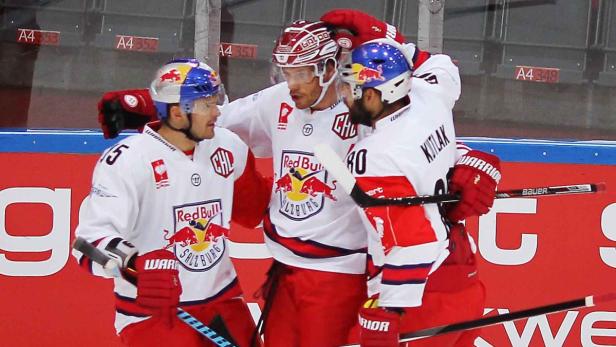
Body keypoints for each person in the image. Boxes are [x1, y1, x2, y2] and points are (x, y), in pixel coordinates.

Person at [93, 10, 500, 346]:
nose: (291, 84)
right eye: (285, 72)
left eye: (301, 73)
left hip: (339, 275)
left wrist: (464, 161)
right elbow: (216, 120)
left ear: (328, 68)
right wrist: (157, 105)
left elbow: (409, 145)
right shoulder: (277, 103)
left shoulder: (362, 105)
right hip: (284, 271)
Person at [73, 58, 271, 347]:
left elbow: (255, 210)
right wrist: (133, 265)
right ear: (178, 113)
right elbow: (86, 245)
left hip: (223, 301)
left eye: (215, 101)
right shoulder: (128, 160)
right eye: (207, 105)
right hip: (152, 313)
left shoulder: (228, 146)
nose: (217, 112)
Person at [336, 36, 501, 347]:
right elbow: (443, 65)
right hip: (463, 274)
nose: (344, 96)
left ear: (373, 95)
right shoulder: (428, 94)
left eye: (351, 88)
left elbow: (413, 242)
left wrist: (390, 307)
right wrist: (466, 157)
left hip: (424, 294)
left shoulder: (373, 157)